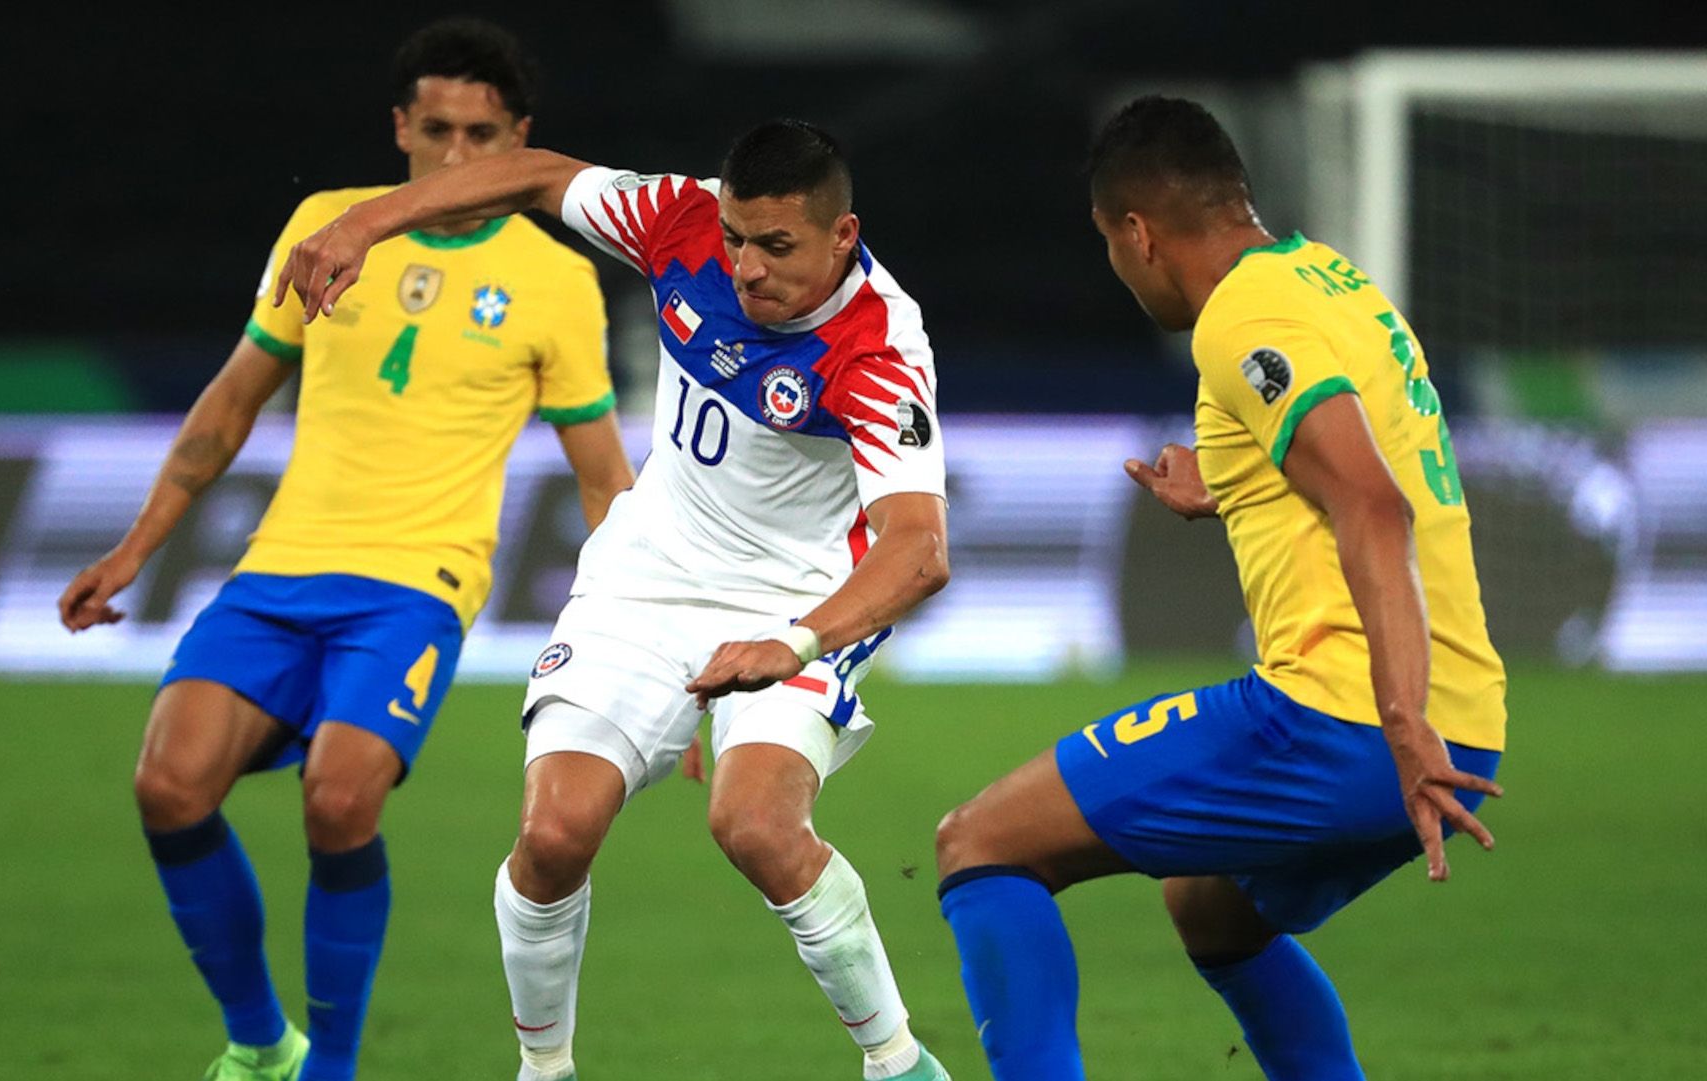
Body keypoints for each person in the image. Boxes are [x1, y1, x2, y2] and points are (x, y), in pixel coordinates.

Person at [275, 120, 955, 1081]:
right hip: (646, 577)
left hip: (796, 598)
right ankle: (544, 1070)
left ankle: (900, 1064)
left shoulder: (880, 343)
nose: (747, 268)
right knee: (552, 836)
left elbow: (919, 551)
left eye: (777, 246)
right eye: (734, 240)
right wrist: (366, 224)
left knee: (754, 823)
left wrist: (795, 643)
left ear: (842, 238)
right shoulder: (677, 219)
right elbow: (533, 175)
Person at [57, 19, 633, 1081]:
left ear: (520, 139)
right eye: (436, 129)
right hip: (280, 569)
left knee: (341, 795)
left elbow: (604, 479)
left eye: (482, 134)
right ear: (401, 127)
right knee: (168, 786)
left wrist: (648, 650)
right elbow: (231, 403)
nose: (456, 156)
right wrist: (136, 547)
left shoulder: (554, 278)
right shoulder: (325, 229)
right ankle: (260, 1042)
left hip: (418, 584)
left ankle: (335, 1069)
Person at [933, 95, 1509, 1080]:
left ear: (1137, 233)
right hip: (1467, 729)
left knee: (981, 843)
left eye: (1110, 245)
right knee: (1209, 904)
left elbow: (1373, 506)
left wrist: (1399, 720)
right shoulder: (1332, 280)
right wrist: (1235, 481)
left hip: (1353, 719)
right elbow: (1370, 460)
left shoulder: (1240, 317)